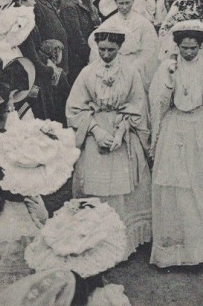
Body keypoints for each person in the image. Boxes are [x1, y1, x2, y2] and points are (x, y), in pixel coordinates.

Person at [65, 29, 153, 259]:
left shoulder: (130, 71)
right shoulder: (87, 73)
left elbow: (138, 104)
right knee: (95, 184)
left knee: (121, 186)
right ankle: (95, 242)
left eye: (110, 50)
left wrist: (123, 129)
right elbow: (74, 108)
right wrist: (95, 131)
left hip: (121, 132)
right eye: (101, 49)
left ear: (119, 48)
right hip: (95, 130)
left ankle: (119, 245)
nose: (105, 54)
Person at [148, 22, 203, 267]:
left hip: (200, 125)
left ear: (200, 46)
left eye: (193, 48)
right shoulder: (168, 68)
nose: (189, 53)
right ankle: (175, 246)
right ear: (177, 46)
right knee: (176, 183)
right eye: (184, 48)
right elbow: (159, 103)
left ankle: (202, 244)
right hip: (175, 126)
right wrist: (169, 83)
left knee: (199, 182)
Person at [91, 0, 161, 91]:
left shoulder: (143, 23)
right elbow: (96, 44)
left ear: (133, 2)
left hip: (136, 65)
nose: (124, 7)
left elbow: (150, 49)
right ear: (116, 3)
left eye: (127, 3)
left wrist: (135, 66)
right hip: (114, 63)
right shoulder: (110, 23)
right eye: (121, 3)